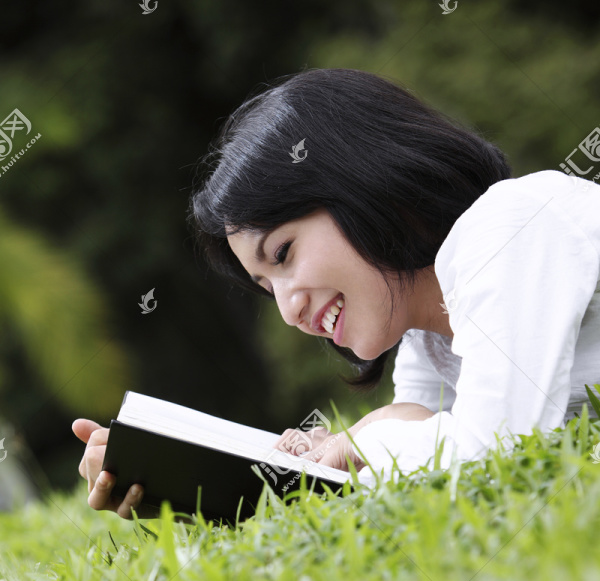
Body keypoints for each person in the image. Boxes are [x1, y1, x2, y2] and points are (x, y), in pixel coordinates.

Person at [73, 67, 600, 517]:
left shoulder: (513, 226)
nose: (288, 309)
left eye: (282, 254)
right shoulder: (426, 331)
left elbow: (492, 451)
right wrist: (188, 484)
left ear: (363, 180)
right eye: (266, 286)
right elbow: (423, 437)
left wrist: (364, 443)